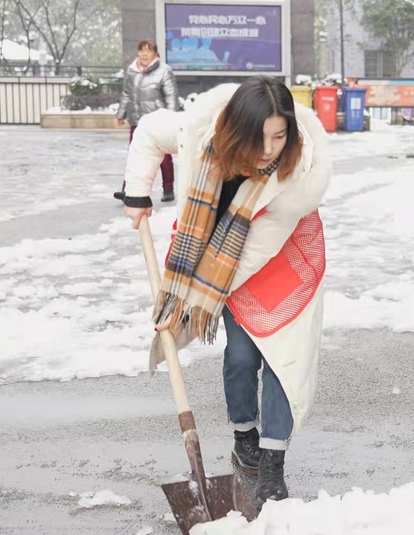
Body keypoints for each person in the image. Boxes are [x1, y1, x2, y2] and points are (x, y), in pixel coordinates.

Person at [121, 77, 331, 504]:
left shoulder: (299, 177)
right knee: (239, 358)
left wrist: (186, 304)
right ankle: (244, 436)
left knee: (280, 361)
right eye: (260, 136)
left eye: (280, 135)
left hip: (283, 261)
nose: (270, 148)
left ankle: (273, 462)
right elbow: (147, 132)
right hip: (220, 253)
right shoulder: (199, 132)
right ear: (236, 128)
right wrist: (137, 192)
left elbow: (253, 253)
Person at [114, 40, 180, 203]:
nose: (144, 54)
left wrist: (171, 119)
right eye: (141, 50)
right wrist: (121, 114)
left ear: (155, 54)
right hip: (137, 121)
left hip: (158, 122)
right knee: (134, 156)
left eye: (148, 50)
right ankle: (128, 190)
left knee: (163, 158)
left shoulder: (164, 71)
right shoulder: (132, 71)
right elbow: (126, 94)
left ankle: (168, 189)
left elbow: (171, 96)